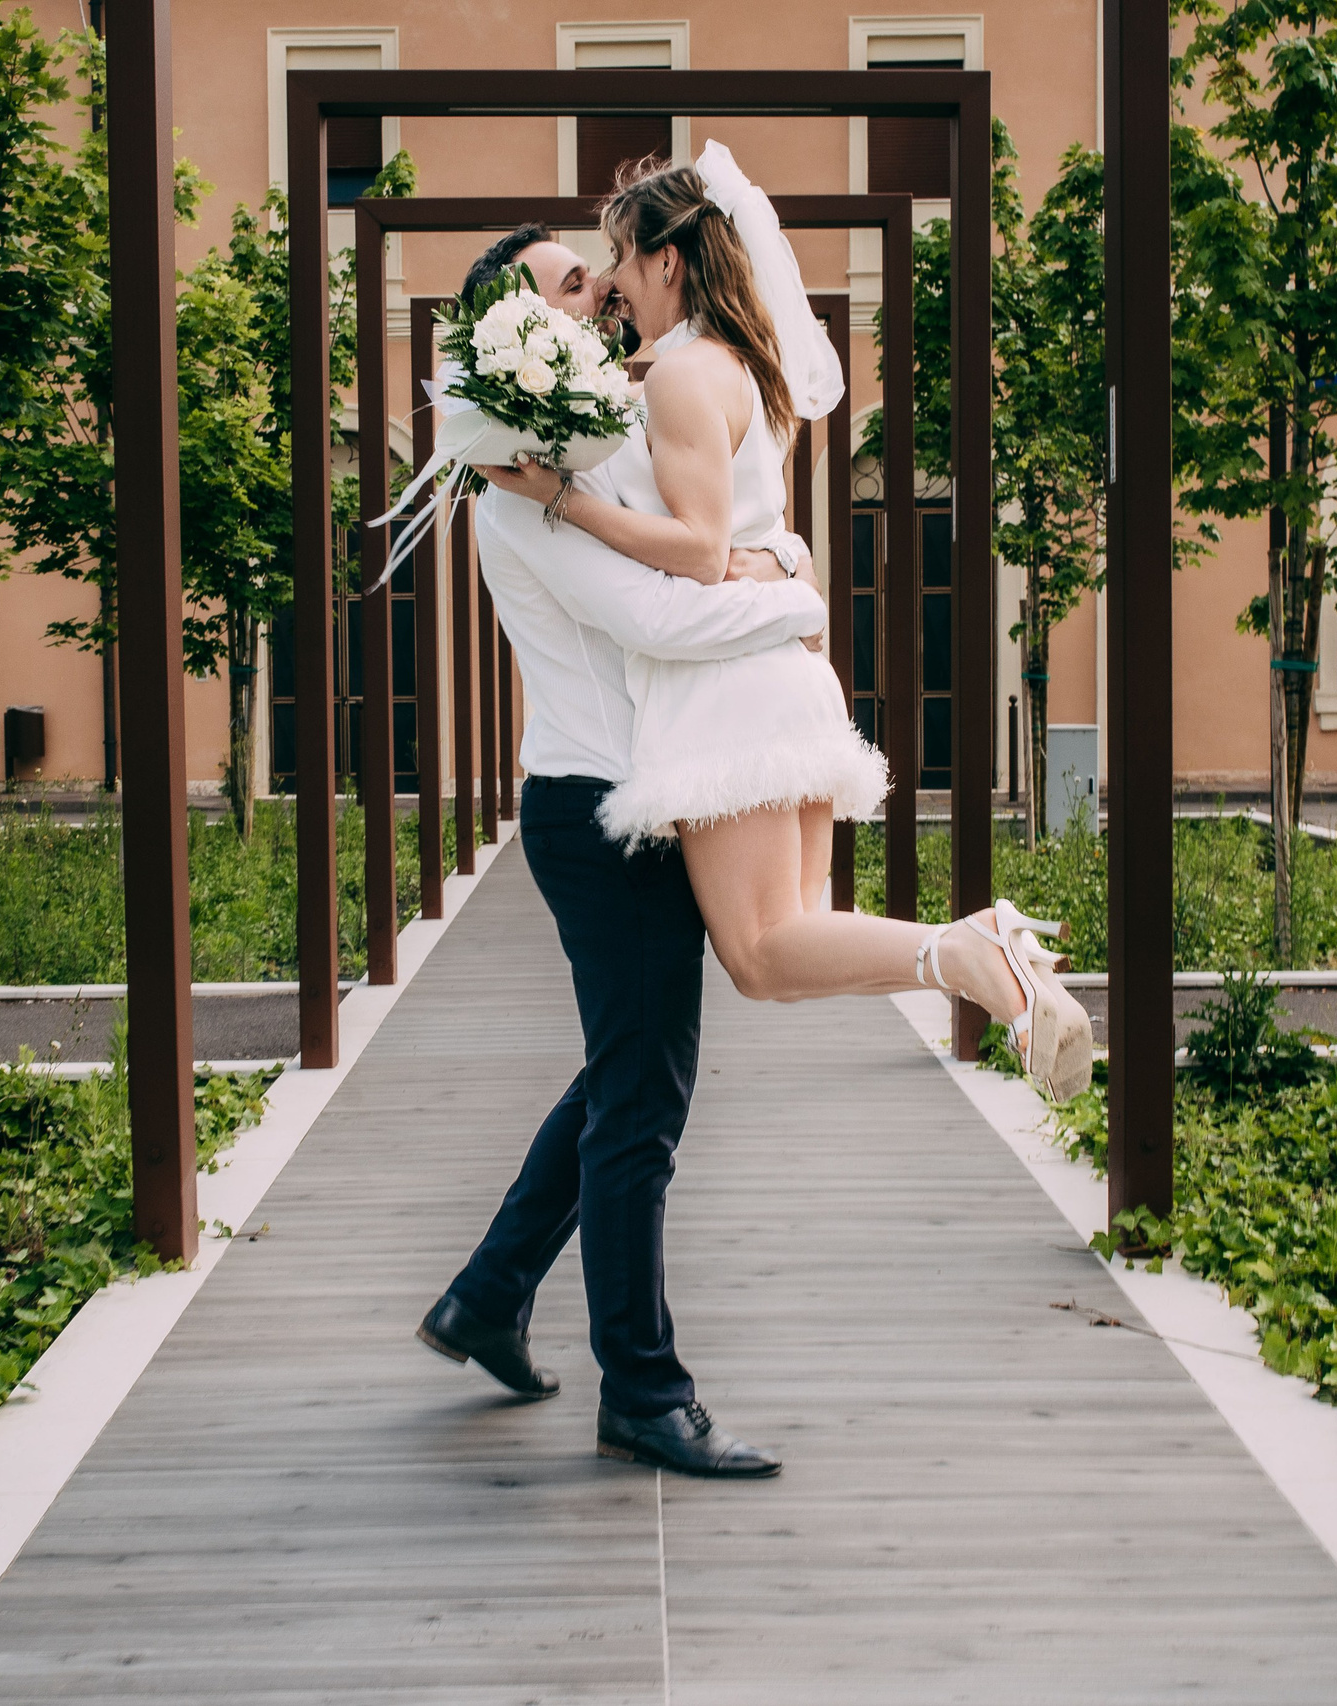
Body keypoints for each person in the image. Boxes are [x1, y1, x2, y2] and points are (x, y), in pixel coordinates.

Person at [480, 147, 1092, 1096]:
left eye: (623, 261)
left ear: (668, 261)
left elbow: (695, 548)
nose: (614, 286)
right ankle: (966, 956)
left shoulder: (679, 378)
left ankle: (966, 948)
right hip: (787, 683)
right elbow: (759, 538)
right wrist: (791, 570)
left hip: (729, 693)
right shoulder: (738, 368)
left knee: (763, 955)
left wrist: (565, 498)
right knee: (793, 941)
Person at [414, 221, 818, 1478]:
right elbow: (667, 616)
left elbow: (703, 545)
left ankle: (488, 1294)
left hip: (636, 796)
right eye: (567, 282)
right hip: (596, 814)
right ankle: (643, 1390)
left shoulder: (590, 450)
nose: (600, 286)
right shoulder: (520, 493)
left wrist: (767, 550)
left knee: (618, 1078)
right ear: (516, 337)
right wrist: (796, 594)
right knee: (641, 1102)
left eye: (596, 271)